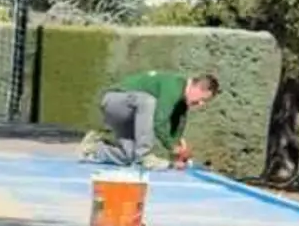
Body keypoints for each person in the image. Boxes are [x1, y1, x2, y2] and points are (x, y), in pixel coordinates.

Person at [79, 70, 220, 170]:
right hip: (115, 101)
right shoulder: (174, 86)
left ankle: (94, 149)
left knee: (129, 156)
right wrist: (173, 147)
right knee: (148, 101)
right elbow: (159, 122)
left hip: (131, 112)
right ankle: (144, 156)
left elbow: (178, 126)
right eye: (203, 99)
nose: (201, 104)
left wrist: (177, 151)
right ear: (197, 87)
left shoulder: (182, 101)